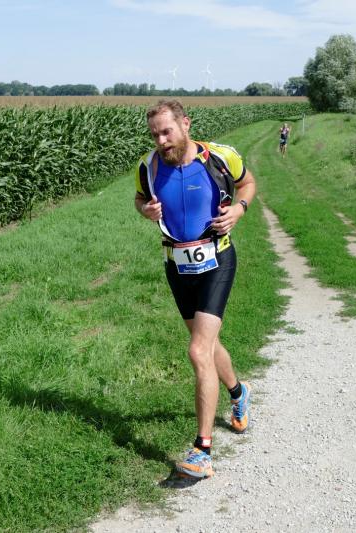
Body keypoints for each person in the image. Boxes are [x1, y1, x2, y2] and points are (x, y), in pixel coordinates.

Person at [135, 99, 256, 479]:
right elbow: (140, 197)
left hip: (217, 260)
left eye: (167, 131)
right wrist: (145, 210)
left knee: (198, 349)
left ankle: (202, 450)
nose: (161, 141)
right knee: (207, 345)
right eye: (155, 135)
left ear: (185, 124)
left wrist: (239, 209)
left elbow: (247, 183)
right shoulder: (149, 167)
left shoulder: (219, 157)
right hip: (177, 265)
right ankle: (238, 393)